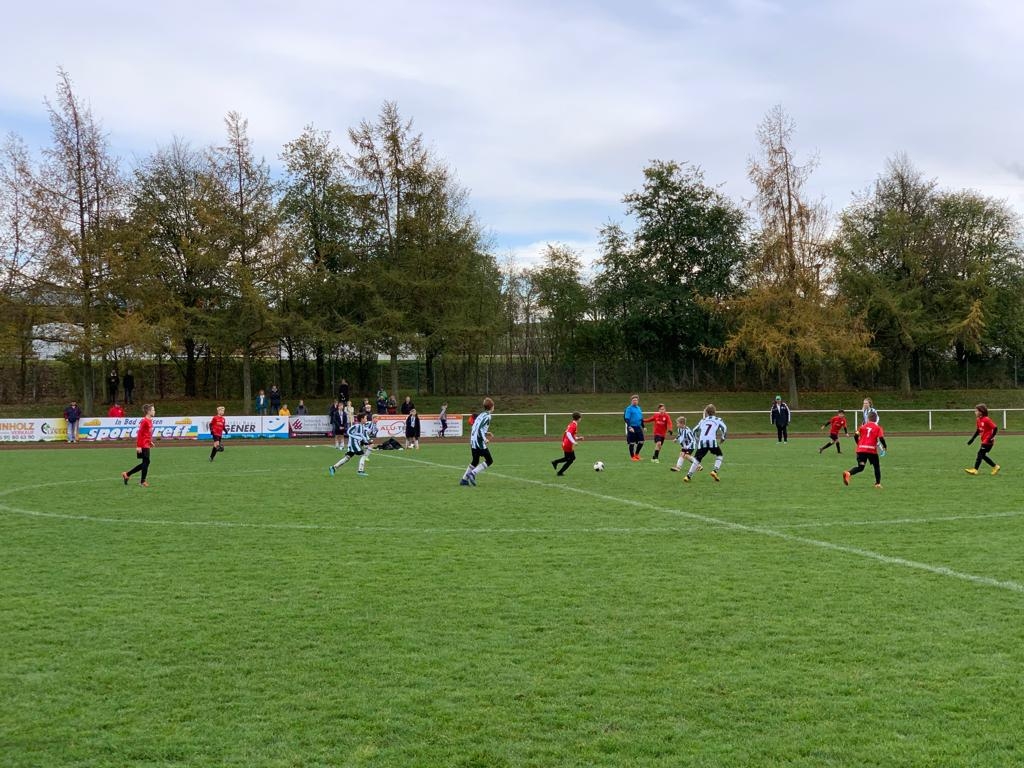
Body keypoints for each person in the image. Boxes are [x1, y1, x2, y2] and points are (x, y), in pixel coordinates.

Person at [684, 404, 727, 483]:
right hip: (712, 441)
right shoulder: (718, 419)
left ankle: (688, 476)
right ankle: (715, 471)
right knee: (719, 455)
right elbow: (724, 427)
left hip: (702, 442)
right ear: (715, 412)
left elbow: (694, 430)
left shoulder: (703, 420)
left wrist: (697, 440)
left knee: (697, 460)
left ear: (706, 412)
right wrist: (723, 437)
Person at [843, 411, 887, 488]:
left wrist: (859, 444)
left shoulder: (862, 426)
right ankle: (877, 484)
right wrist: (885, 446)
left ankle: (848, 473)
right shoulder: (878, 428)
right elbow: (881, 438)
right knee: (876, 466)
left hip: (861, 450)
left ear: (868, 418)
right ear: (876, 419)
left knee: (861, 467)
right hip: (871, 450)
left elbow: (855, 435)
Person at [460, 397, 494, 487]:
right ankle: (472, 473)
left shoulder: (481, 414)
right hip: (479, 441)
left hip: (473, 440)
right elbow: (479, 429)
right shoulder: (488, 416)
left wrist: (486, 433)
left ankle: (464, 480)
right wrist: (485, 439)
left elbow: (475, 427)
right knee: (489, 460)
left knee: (475, 461)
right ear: (492, 407)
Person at [122, 403, 156, 487]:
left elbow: (146, 433)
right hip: (143, 444)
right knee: (146, 462)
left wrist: (150, 441)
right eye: (153, 410)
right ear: (148, 411)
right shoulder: (144, 421)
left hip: (146, 443)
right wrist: (138, 446)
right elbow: (140, 434)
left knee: (146, 462)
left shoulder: (149, 420)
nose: (154, 411)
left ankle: (127, 474)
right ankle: (142, 481)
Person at [965, 403, 1000, 476]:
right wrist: (972, 439)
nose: (975, 412)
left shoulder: (986, 419)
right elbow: (978, 430)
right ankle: (995, 466)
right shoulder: (978, 420)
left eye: (976, 411)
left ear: (981, 411)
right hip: (984, 440)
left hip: (988, 441)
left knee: (980, 454)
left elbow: (995, 428)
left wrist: (991, 437)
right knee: (982, 455)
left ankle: (975, 470)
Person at [551, 411, 582, 476]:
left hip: (566, 443)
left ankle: (556, 463)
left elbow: (571, 435)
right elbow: (568, 434)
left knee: (568, 458)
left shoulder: (572, 424)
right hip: (568, 444)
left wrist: (577, 438)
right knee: (571, 459)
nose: (581, 419)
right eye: (580, 418)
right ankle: (559, 471)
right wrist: (574, 442)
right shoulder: (573, 425)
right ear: (578, 418)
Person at [623, 394, 645, 461]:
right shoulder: (629, 409)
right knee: (632, 443)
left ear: (638, 401)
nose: (635, 401)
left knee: (641, 441)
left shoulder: (639, 408)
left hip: (638, 427)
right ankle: (632, 457)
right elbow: (627, 419)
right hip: (632, 427)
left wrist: (643, 426)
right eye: (633, 400)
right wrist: (629, 427)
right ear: (631, 401)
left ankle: (636, 454)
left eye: (636, 400)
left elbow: (641, 418)